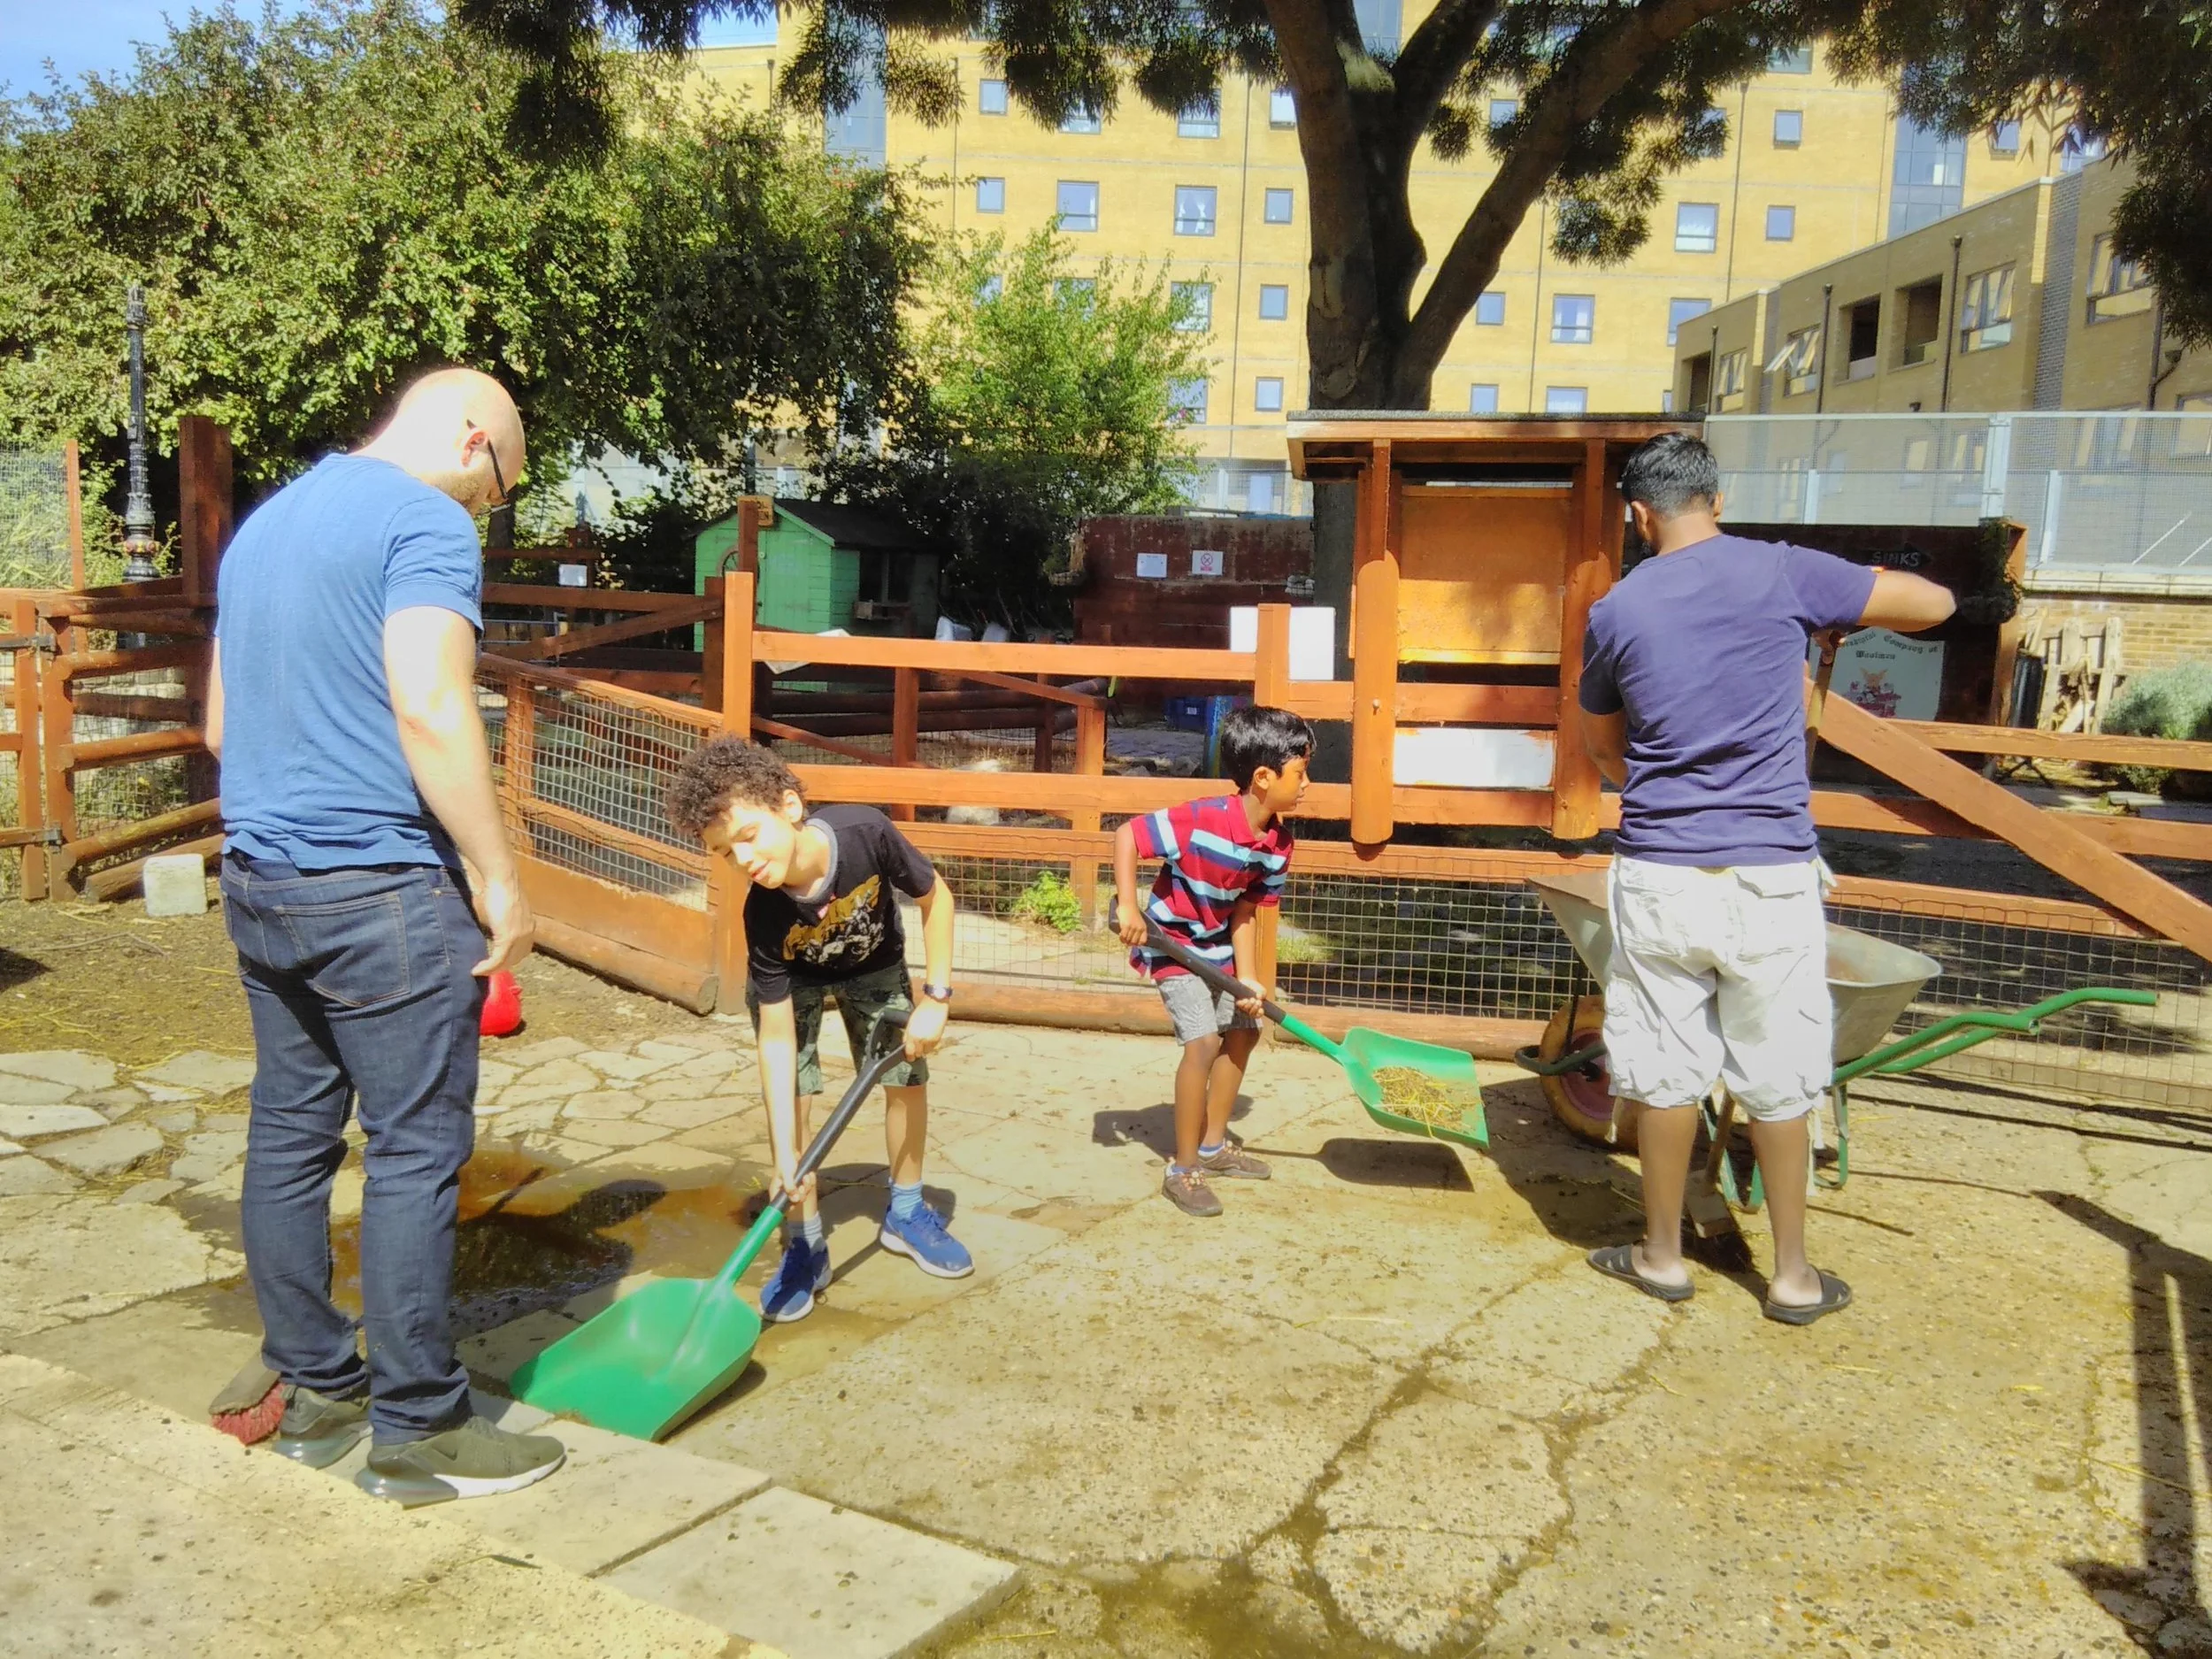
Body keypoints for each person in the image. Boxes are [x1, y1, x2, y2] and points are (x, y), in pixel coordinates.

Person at [208, 367, 565, 1503]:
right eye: (497, 488)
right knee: (414, 1150)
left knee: (290, 1134)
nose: (485, 511)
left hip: (259, 880)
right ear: (472, 439)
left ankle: (316, 1390)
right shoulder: (422, 521)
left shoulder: (268, 524)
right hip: (381, 892)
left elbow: (217, 725)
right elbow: (430, 702)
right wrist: (498, 877)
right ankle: (420, 1429)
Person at [1578, 430, 1955, 1324]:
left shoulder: (1617, 609)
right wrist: (1850, 598)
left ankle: (1661, 1256)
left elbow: (1601, 747)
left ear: (1638, 515)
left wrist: (1668, 787)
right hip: (1771, 875)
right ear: (1717, 501)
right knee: (1780, 1071)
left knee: (1665, 1070)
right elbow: (1935, 603)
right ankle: (1791, 1277)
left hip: (1661, 872)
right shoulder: (1785, 572)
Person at [665, 738, 967, 1322]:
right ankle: (804, 1241)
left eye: (749, 835)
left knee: (906, 1077)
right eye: (725, 852)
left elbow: (938, 898)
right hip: (797, 979)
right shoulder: (764, 913)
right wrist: (785, 1154)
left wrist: (936, 998)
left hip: (874, 962)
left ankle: (906, 1211)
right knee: (795, 1097)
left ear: (789, 807)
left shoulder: (865, 833)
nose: (743, 859)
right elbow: (777, 1040)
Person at [1113, 704, 1312, 1218]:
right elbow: (1129, 835)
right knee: (1202, 1042)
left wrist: (1247, 979)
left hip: (1220, 947)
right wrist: (1129, 906)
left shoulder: (1279, 844)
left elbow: (1245, 912)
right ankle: (1182, 1170)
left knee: (1245, 1030)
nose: (1307, 784)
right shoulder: (1201, 819)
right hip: (1171, 943)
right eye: (1300, 772)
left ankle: (1212, 1145)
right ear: (1264, 777)